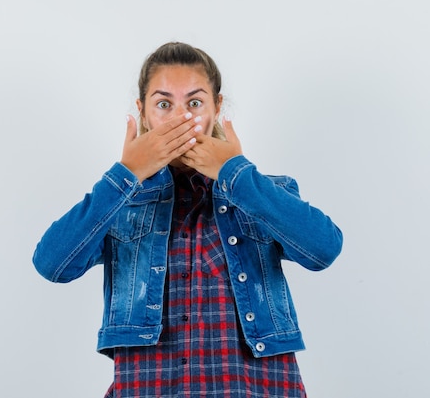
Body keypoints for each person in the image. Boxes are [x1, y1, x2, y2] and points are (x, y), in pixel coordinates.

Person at [32, 42, 343, 397]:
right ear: (143, 113)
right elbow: (51, 264)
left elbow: (324, 249)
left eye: (194, 103)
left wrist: (236, 174)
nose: (180, 118)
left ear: (217, 108)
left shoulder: (262, 192)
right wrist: (127, 173)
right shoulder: (121, 203)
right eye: (164, 104)